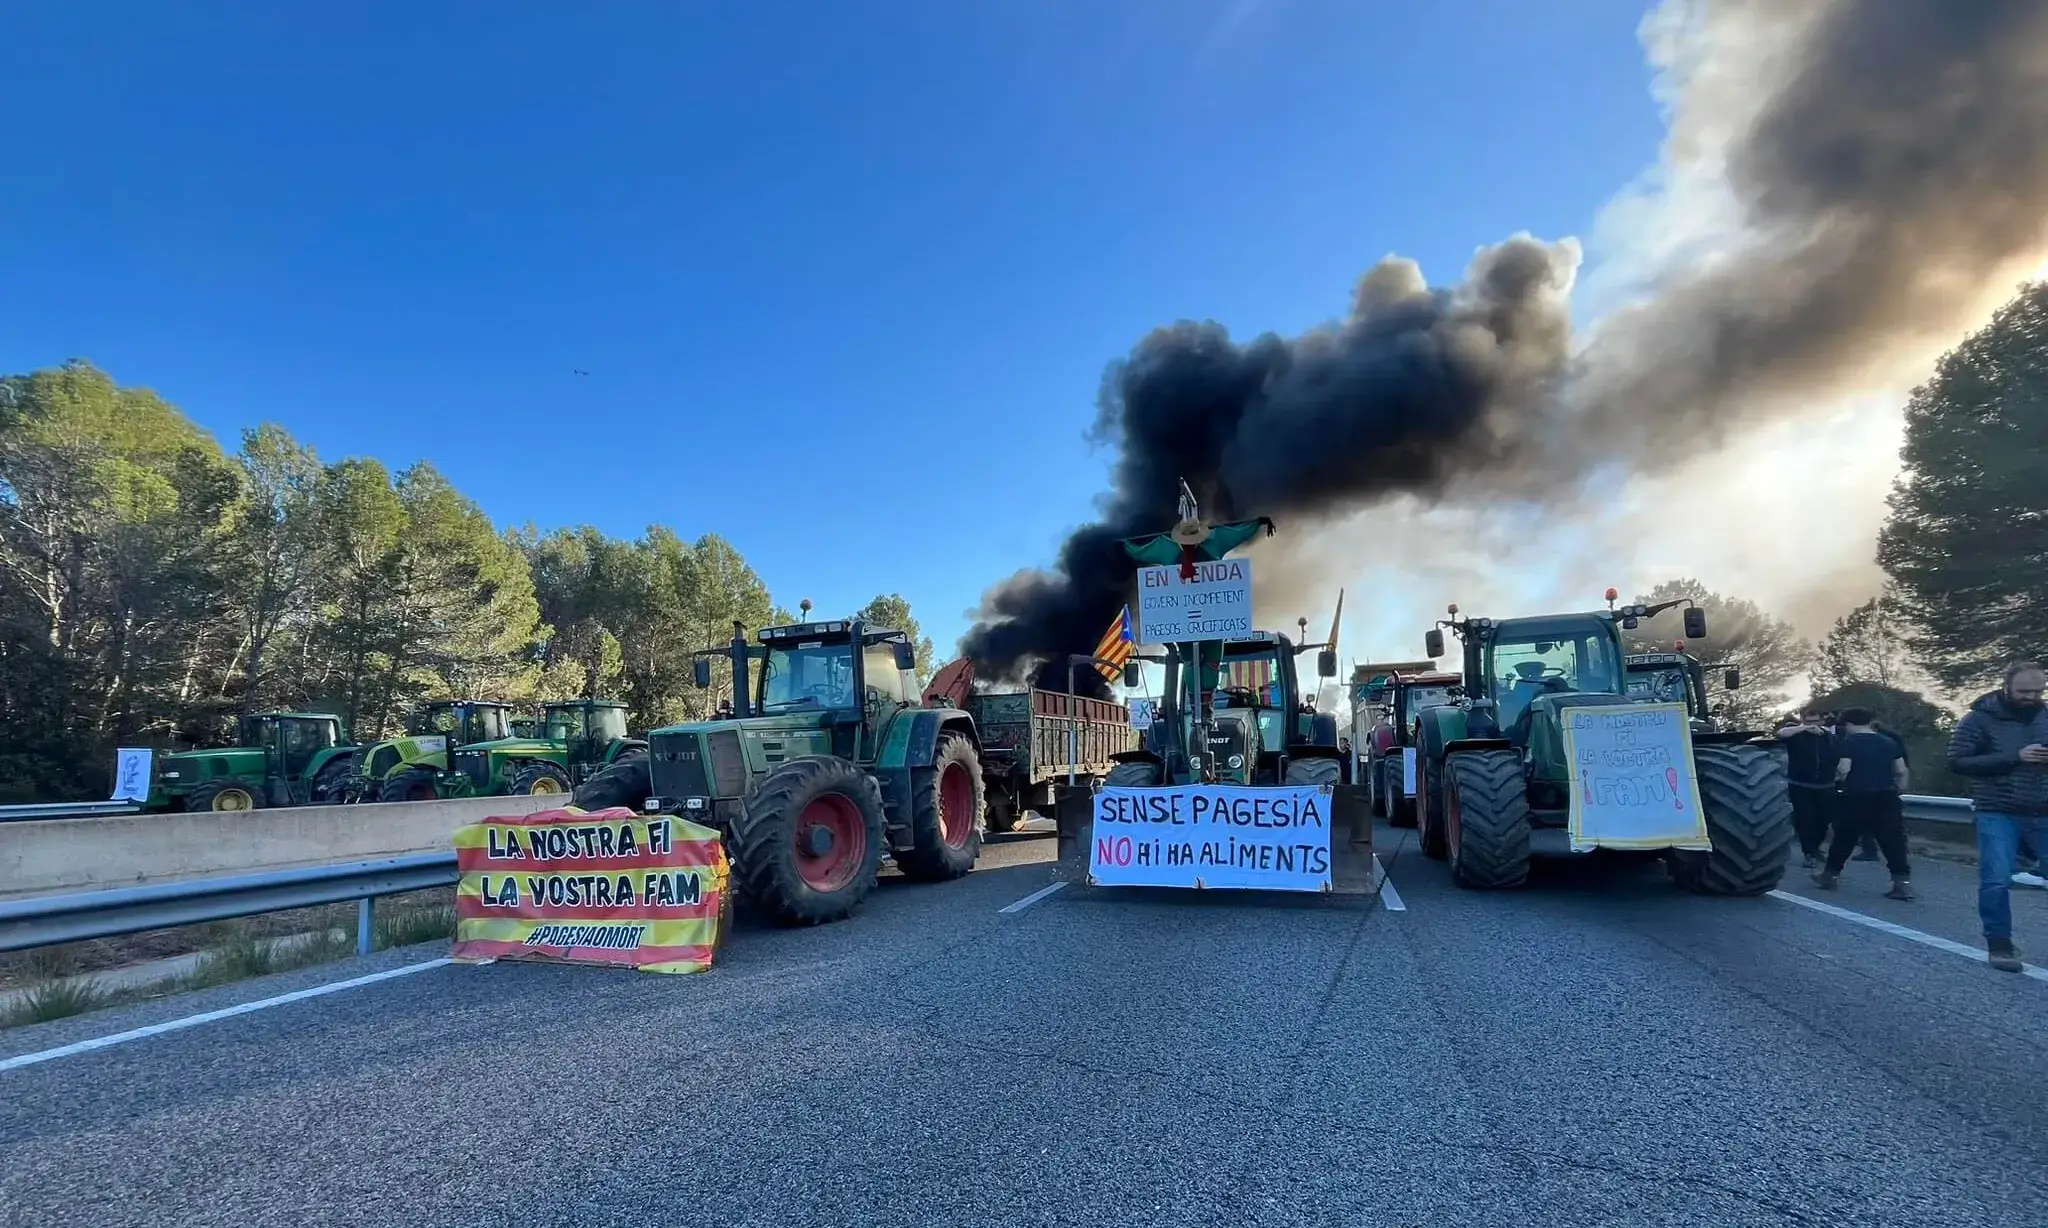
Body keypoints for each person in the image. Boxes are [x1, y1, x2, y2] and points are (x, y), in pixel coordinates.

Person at [1945, 661, 2048, 973]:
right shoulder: (1978, 719)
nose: (2031, 696)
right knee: (1996, 879)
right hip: (1996, 810)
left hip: (2043, 809)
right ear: (2006, 686)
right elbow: (1958, 762)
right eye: (2023, 691)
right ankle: (2000, 944)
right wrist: (2014, 758)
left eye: (2038, 691)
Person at [1814, 708, 1913, 899]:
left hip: (1855, 796)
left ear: (1849, 724)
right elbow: (1901, 770)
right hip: (1886, 796)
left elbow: (1844, 769)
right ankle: (1902, 883)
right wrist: (1899, 789)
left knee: (1844, 838)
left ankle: (1829, 876)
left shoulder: (1849, 743)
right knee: (1893, 841)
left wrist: (1836, 783)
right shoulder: (1889, 741)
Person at [1777, 709, 1838, 869]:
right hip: (1800, 784)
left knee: (1824, 819)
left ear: (1821, 721)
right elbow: (1781, 733)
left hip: (1826, 784)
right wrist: (1804, 728)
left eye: (1815, 721)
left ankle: (1816, 848)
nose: (1813, 725)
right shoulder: (1796, 733)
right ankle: (1809, 853)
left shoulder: (1830, 737)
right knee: (1805, 819)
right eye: (1808, 721)